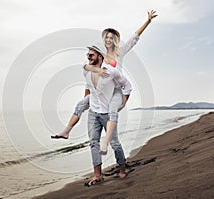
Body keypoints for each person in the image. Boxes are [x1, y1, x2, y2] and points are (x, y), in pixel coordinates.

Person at [51, 10, 158, 155]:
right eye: (106, 37)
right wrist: (87, 97)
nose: (108, 40)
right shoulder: (99, 54)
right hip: (100, 90)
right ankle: (66, 131)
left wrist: (148, 21)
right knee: (80, 104)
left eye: (111, 37)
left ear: (115, 40)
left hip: (115, 91)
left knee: (112, 114)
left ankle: (107, 145)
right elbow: (89, 77)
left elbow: (134, 37)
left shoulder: (120, 52)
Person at [83, 45, 131, 186]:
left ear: (100, 56)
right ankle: (97, 175)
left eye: (91, 55)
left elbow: (127, 85)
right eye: (87, 55)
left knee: (114, 142)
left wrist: (122, 103)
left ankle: (122, 168)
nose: (88, 57)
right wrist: (86, 102)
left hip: (108, 113)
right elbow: (87, 87)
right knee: (93, 142)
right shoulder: (86, 71)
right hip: (93, 112)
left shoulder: (111, 71)